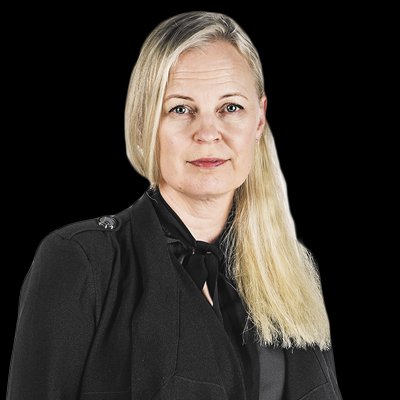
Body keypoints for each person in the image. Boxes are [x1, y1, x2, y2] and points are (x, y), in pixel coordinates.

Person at [7, 11, 342, 400]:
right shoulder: (81, 262)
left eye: (231, 107)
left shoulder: (291, 269)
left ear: (259, 120)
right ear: (145, 122)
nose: (208, 133)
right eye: (181, 109)